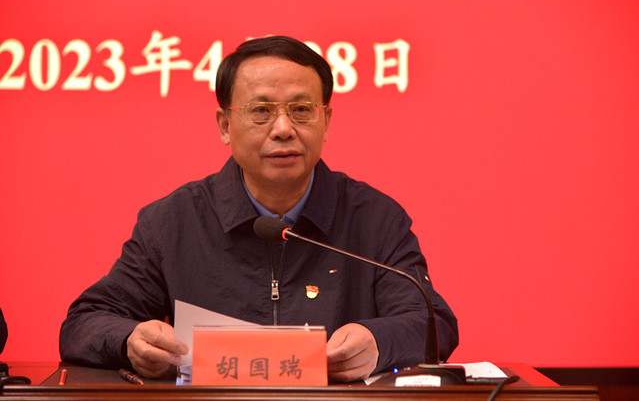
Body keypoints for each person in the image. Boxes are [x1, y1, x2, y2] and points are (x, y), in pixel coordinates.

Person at [59, 36, 458, 382]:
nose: (283, 128)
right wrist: (129, 340)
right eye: (261, 111)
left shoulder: (374, 218)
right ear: (224, 126)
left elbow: (433, 323)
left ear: (326, 121)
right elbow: (84, 323)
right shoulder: (173, 221)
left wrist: (378, 342)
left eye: (301, 110)